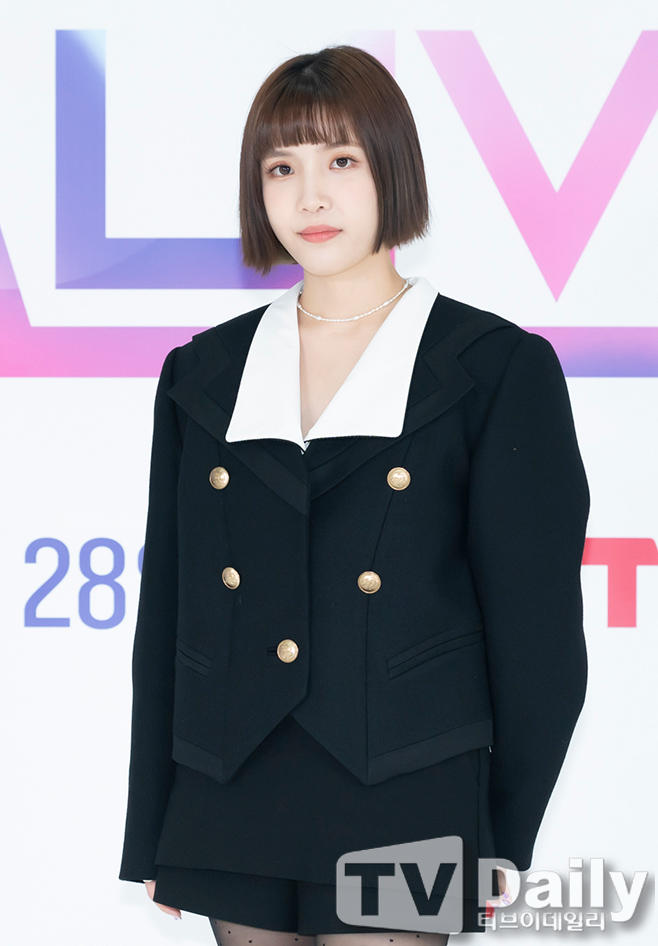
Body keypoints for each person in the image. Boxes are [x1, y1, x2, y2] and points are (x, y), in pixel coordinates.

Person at [118, 45, 590, 945]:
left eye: (341, 160)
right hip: (233, 785)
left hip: (412, 783)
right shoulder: (203, 373)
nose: (310, 198)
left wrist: (502, 831)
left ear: (391, 168)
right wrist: (152, 828)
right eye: (281, 168)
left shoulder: (495, 368)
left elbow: (538, 641)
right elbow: (171, 617)